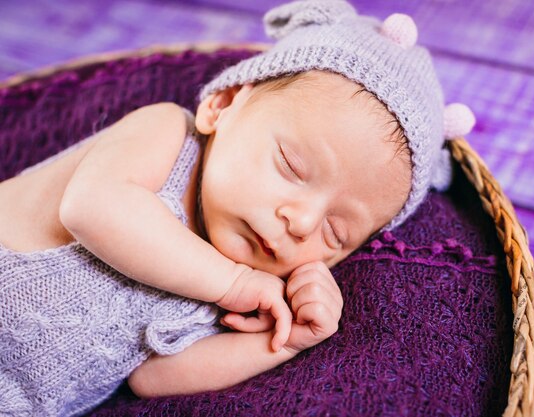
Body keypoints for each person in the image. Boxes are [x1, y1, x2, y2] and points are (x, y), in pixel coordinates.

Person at [0, 0, 475, 415]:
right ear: (222, 106)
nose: (303, 221)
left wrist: (283, 340)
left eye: (336, 233)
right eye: (291, 165)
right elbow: (91, 208)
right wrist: (234, 284)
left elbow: (153, 379)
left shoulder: (248, 286)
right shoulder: (166, 136)